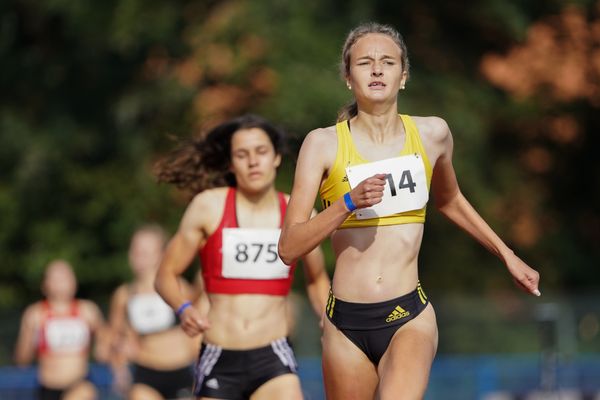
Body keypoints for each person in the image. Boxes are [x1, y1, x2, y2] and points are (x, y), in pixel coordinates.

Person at [277, 22, 541, 400]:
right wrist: (347, 203)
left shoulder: (433, 135)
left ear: (403, 76)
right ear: (348, 77)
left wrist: (508, 255)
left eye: (388, 61)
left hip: (408, 315)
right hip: (344, 323)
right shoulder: (322, 145)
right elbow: (288, 247)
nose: (377, 69)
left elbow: (450, 201)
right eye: (365, 62)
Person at [153, 114, 331, 400]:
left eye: (261, 152)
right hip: (220, 356)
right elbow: (165, 275)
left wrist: (327, 316)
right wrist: (183, 307)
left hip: (273, 355)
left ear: (275, 157)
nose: (253, 162)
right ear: (230, 163)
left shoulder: (297, 214)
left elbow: (317, 278)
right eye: (242, 154)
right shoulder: (208, 207)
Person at [108, 225, 205, 399]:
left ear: (161, 254)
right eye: (135, 249)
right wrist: (120, 366)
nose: (139, 255)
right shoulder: (124, 295)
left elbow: (198, 319)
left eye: (145, 251)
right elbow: (113, 338)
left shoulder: (178, 287)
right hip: (146, 371)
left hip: (181, 370)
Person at [14, 259, 107, 400]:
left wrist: (104, 348)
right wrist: (30, 337)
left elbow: (106, 342)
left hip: (80, 384)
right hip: (48, 389)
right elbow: (22, 360)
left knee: (84, 393)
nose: (62, 282)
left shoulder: (88, 311)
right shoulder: (35, 314)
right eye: (56, 278)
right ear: (45, 285)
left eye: (66, 276)